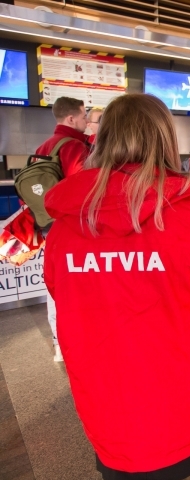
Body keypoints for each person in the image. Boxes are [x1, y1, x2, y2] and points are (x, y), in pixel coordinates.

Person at [43, 93, 190, 480]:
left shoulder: (64, 230)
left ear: (102, 139)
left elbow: (64, 296)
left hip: (114, 398)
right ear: (164, 139)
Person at [35, 96, 91, 362]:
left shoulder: (45, 146)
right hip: (72, 225)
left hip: (49, 225)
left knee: (54, 284)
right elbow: (83, 186)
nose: (87, 119)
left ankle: (58, 342)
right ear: (71, 118)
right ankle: (78, 340)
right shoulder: (73, 147)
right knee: (80, 284)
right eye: (84, 115)